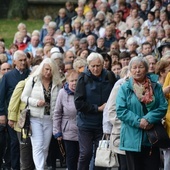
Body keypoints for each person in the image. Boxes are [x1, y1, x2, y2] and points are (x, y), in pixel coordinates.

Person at [116, 56, 168, 170]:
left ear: (146, 69)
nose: (137, 70)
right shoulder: (125, 88)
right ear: (130, 70)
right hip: (131, 138)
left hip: (151, 138)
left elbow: (163, 106)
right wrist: (139, 122)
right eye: (134, 68)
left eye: (141, 67)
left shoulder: (155, 86)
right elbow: (120, 110)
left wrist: (148, 119)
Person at [74, 52, 117, 170]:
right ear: (88, 65)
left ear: (103, 64)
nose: (95, 68)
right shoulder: (83, 78)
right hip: (86, 122)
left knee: (101, 155)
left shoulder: (109, 76)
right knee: (86, 153)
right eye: (93, 66)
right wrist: (97, 108)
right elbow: (78, 103)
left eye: (98, 65)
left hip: (103, 123)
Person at [21, 58, 62, 170]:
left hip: (49, 118)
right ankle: (40, 168)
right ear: (42, 68)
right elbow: (23, 97)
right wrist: (36, 102)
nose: (48, 72)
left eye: (51, 70)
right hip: (35, 117)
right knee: (38, 145)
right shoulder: (33, 80)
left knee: (45, 147)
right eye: (46, 69)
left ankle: (40, 166)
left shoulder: (57, 83)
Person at [0, 50, 30, 170]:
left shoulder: (30, 74)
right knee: (14, 142)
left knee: (26, 143)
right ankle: (15, 166)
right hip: (13, 116)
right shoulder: (8, 76)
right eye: (20, 60)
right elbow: (1, 96)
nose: (23, 62)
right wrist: (2, 113)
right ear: (14, 62)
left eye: (24, 60)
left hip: (27, 114)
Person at [53, 69, 79, 170]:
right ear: (67, 81)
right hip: (68, 131)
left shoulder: (83, 91)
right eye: (72, 81)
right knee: (71, 157)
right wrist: (57, 131)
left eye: (76, 80)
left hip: (83, 130)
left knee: (82, 156)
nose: (74, 83)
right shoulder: (62, 93)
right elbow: (57, 113)